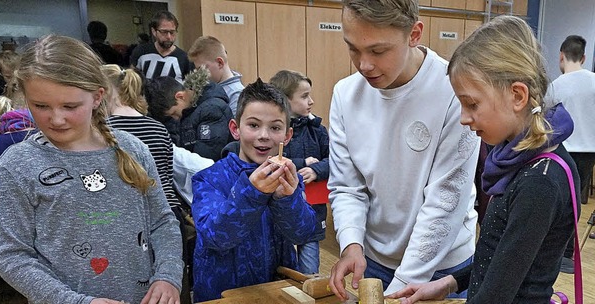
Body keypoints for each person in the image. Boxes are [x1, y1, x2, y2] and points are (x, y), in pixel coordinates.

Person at [388, 15, 579, 304]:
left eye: (472, 104)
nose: (464, 118)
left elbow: (497, 293)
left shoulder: (539, 181)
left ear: (517, 95)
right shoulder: (518, 159)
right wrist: (449, 283)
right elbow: (500, 254)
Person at [0, 34, 183, 304]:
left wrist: (168, 276)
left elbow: (162, 221)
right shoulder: (16, 167)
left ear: (97, 96)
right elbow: (12, 255)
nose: (56, 118)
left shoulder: (132, 149)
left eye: (70, 106)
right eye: (40, 106)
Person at [328, 0, 480, 299]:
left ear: (414, 34)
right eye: (352, 48)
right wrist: (351, 243)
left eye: (378, 50)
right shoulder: (345, 94)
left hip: (443, 269)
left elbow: (445, 202)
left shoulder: (453, 90)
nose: (363, 64)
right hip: (373, 262)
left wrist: (400, 288)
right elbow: (347, 187)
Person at [190, 79, 317, 302]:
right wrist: (252, 192)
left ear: (287, 136)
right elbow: (215, 237)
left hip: (277, 293)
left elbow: (303, 233)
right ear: (235, 129)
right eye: (254, 125)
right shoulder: (209, 179)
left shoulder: (289, 178)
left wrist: (286, 200)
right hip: (222, 296)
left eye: (275, 128)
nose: (264, 135)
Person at [102, 63, 192, 304]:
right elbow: (166, 175)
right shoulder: (158, 127)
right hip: (171, 216)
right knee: (171, 290)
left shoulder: (106, 131)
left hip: (132, 220)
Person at [544, 35, 595, 274]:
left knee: (556, 204)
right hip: (589, 152)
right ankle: (567, 254)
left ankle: (553, 253)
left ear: (561, 56)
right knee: (575, 205)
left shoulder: (555, 85)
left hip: (561, 152)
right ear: (583, 57)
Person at [269, 70, 328, 275]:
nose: (311, 101)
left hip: (312, 211)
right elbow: (267, 160)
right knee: (278, 269)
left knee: (309, 272)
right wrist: (301, 162)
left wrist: (317, 170)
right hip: (279, 214)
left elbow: (337, 160)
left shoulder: (318, 130)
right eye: (304, 96)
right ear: (285, 100)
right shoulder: (274, 131)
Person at [145, 68, 233, 161]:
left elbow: (204, 160)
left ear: (180, 96)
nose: (175, 118)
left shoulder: (213, 110)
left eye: (174, 113)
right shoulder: (189, 111)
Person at [188, 35, 244, 116]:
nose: (199, 75)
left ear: (219, 63)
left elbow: (233, 128)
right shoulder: (206, 89)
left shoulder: (237, 95)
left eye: (201, 69)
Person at [130, 11, 193, 82]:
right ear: (154, 31)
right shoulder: (141, 51)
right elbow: (131, 81)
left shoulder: (184, 58)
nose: (169, 37)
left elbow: (189, 89)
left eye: (172, 32)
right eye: (164, 32)